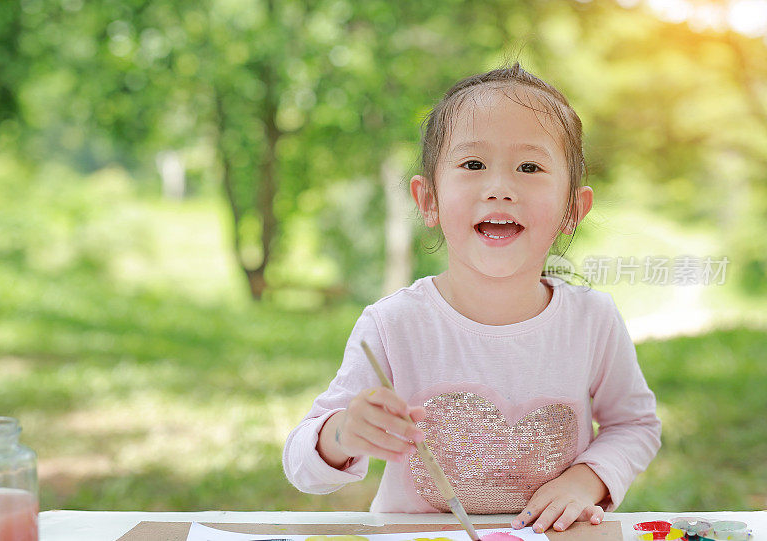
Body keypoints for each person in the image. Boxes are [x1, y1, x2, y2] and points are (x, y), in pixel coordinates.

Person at [283, 62, 661, 534]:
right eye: (473, 164)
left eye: (529, 167)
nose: (500, 188)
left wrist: (586, 481)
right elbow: (302, 467)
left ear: (573, 209)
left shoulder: (592, 320)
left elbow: (635, 426)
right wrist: (341, 433)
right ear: (429, 201)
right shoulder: (393, 324)